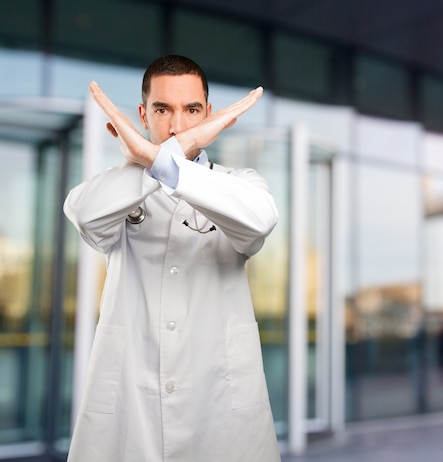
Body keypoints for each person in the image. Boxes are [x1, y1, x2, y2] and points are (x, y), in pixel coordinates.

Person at [64, 55, 281, 461]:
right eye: (163, 110)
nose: (177, 126)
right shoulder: (115, 189)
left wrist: (162, 157)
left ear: (210, 115)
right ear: (144, 114)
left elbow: (258, 222)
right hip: (130, 406)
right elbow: (84, 213)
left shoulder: (239, 184)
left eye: (192, 111)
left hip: (219, 404)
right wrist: (160, 160)